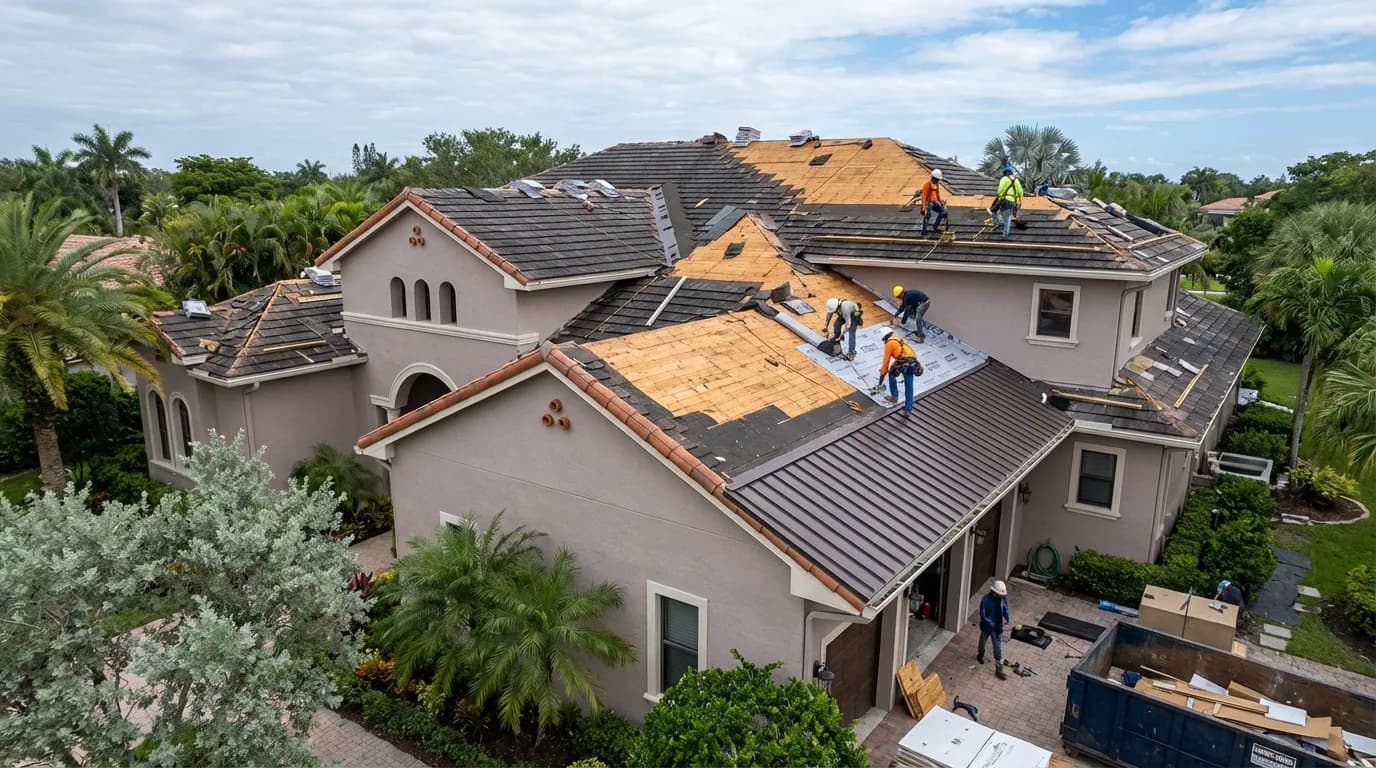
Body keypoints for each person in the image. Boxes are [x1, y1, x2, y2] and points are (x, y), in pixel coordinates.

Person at [879, 328, 921, 412]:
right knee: (909, 386)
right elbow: (905, 354)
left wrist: (882, 375)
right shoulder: (898, 338)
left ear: (884, 337)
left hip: (904, 362)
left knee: (891, 373)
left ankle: (894, 397)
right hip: (912, 363)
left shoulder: (889, 344)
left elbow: (885, 362)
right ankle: (908, 410)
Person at [977, 580, 1010, 679]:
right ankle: (980, 655)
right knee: (982, 641)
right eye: (1000, 594)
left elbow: (1005, 608)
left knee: (998, 648)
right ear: (994, 592)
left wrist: (1007, 618)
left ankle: (999, 670)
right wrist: (990, 623)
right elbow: (983, 615)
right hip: (987, 627)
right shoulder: (985, 600)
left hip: (997, 627)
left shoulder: (1002, 598)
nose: (1001, 596)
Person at [990, 165, 1023, 239]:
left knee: (994, 210)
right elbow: (1020, 192)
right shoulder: (1016, 180)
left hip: (1004, 200)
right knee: (1007, 217)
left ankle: (1002, 230)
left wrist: (1000, 196)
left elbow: (1000, 190)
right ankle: (1002, 230)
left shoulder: (1004, 179)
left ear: (1005, 173)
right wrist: (1017, 200)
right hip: (1013, 201)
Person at [920, 169, 947, 236]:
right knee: (927, 216)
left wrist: (941, 202)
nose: (937, 181)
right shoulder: (926, 185)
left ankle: (935, 226)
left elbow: (938, 195)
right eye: (937, 179)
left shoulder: (936, 184)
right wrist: (923, 208)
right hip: (928, 202)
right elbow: (923, 196)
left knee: (942, 211)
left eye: (938, 180)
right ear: (933, 178)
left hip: (935, 202)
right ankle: (923, 232)